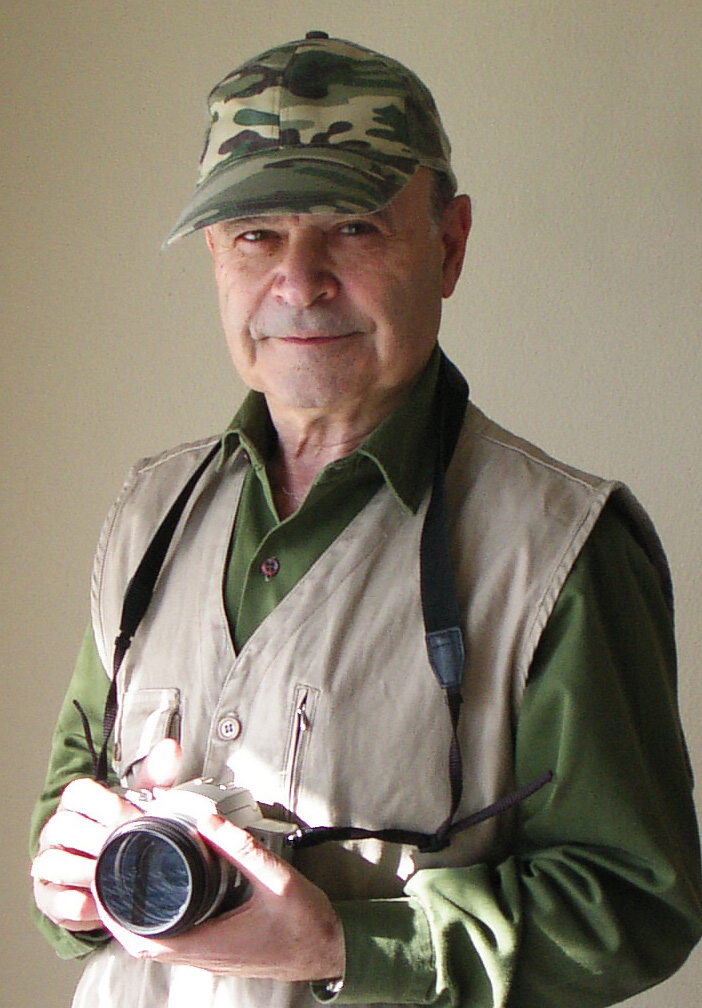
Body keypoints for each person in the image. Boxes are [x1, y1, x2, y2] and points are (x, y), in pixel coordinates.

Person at [30, 31, 701, 1008]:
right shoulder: (148, 515)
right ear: (216, 253)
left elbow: (638, 902)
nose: (298, 282)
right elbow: (69, 797)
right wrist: (71, 877)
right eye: (256, 234)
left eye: (353, 227)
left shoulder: (561, 550)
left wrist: (347, 942)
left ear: (450, 243)